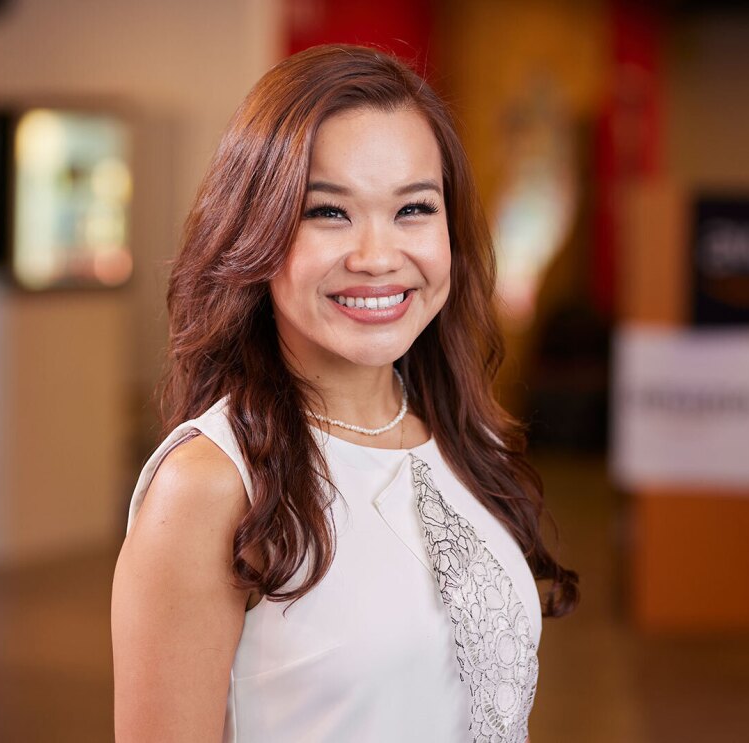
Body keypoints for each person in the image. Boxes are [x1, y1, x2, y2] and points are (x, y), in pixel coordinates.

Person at [111, 44, 578, 743]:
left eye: (413, 208)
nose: (377, 255)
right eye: (329, 213)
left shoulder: (460, 437)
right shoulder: (208, 485)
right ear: (256, 229)